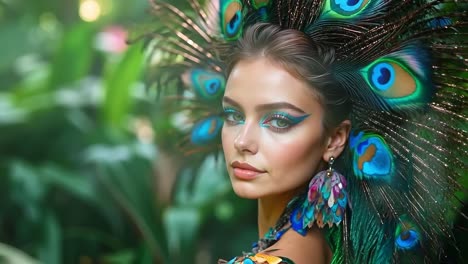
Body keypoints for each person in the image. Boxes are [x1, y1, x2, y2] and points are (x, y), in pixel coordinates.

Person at [144, 1, 468, 263]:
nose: (243, 142)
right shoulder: (317, 245)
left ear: (334, 139)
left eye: (279, 121)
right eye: (233, 115)